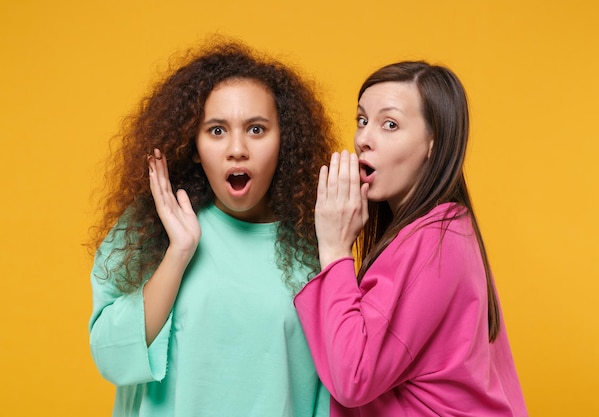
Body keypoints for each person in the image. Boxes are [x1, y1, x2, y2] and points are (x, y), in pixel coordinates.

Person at [88, 39, 337, 416]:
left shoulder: (316, 246)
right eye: (217, 131)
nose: (237, 148)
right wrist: (179, 253)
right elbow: (112, 357)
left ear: (283, 141)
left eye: (256, 129)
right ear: (193, 144)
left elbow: (330, 394)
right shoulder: (157, 225)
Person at [294, 61, 528, 416]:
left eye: (390, 125)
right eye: (362, 120)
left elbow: (352, 378)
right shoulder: (449, 229)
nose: (363, 139)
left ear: (434, 144)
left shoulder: (433, 239)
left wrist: (335, 249)